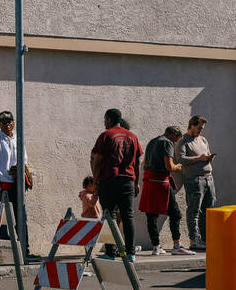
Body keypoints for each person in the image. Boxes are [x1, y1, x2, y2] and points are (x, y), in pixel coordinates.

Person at [91, 108, 142, 257]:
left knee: (109, 216)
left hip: (109, 180)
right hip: (128, 180)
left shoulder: (106, 135)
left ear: (108, 119)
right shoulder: (132, 136)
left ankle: (111, 252)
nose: (104, 122)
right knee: (128, 216)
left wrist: (95, 182)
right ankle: (131, 253)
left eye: (104, 119)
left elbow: (98, 161)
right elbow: (137, 162)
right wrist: (136, 182)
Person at [140, 126, 192, 255]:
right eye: (176, 139)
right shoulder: (166, 142)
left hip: (148, 182)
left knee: (151, 216)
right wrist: (178, 167)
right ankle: (176, 245)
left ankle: (156, 247)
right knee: (175, 213)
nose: (175, 143)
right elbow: (169, 166)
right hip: (161, 183)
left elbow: (145, 162)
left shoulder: (152, 142)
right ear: (173, 134)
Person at [177, 115, 216, 251]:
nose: (200, 131)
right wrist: (199, 159)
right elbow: (181, 159)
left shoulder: (203, 140)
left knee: (208, 210)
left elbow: (206, 154)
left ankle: (205, 239)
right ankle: (194, 240)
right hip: (194, 179)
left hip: (209, 178)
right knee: (194, 210)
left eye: (202, 128)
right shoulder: (183, 142)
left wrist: (208, 158)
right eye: (199, 128)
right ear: (192, 126)